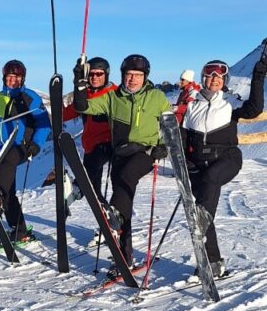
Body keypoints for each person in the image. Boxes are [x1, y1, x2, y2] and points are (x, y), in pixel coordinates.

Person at [73, 53, 170, 275]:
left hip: (144, 152)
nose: (133, 79)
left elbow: (171, 124)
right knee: (122, 197)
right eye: (129, 74)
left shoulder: (156, 97)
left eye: (138, 75)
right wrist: (79, 82)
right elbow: (82, 106)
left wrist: (163, 146)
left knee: (127, 177)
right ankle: (123, 258)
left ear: (145, 77)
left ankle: (114, 214)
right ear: (122, 75)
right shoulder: (113, 97)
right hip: (120, 154)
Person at [182, 53, 266, 278]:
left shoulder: (231, 101)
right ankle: (213, 262)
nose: (215, 79)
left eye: (219, 77)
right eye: (210, 76)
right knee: (203, 212)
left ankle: (203, 218)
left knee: (205, 201)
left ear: (225, 80)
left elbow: (254, 109)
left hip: (226, 159)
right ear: (204, 78)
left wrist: (259, 75)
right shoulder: (193, 104)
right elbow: (183, 135)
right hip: (198, 164)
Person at [0, 60, 51, 242]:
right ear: (4, 78)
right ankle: (19, 230)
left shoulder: (29, 97)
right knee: (8, 191)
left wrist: (36, 144)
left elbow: (44, 124)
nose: (12, 80)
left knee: (3, 182)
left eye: (17, 77)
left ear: (23, 79)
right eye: (9, 77)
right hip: (1, 149)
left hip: (22, 146)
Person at [63, 57, 116, 201]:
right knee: (93, 191)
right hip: (90, 145)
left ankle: (78, 187)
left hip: (108, 143)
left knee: (91, 168)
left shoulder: (115, 94)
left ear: (106, 74)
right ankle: (103, 209)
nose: (94, 77)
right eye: (91, 74)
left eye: (99, 74)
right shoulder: (84, 95)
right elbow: (67, 114)